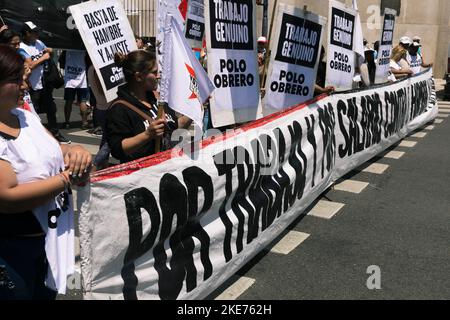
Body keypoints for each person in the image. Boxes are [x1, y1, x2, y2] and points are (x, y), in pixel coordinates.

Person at [0, 45, 92, 299]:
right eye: (16, 80)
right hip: (12, 250)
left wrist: (76, 152)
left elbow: (54, 148)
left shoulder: (25, 116)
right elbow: (7, 198)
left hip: (50, 241)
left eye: (25, 78)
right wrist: (66, 179)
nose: (25, 86)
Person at [106, 50, 193, 164]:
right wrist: (147, 135)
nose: (158, 76)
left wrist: (194, 109)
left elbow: (176, 126)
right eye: (154, 72)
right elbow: (117, 149)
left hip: (166, 171)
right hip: (140, 176)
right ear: (138, 77)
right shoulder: (120, 108)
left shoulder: (158, 99)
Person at [18, 21, 70, 143]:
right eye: (34, 32)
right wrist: (44, 58)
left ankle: (55, 133)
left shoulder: (39, 43)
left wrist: (50, 52)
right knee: (31, 112)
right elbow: (29, 65)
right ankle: (32, 137)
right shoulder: (21, 47)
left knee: (51, 109)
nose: (37, 34)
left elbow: (47, 52)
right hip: (30, 85)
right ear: (26, 33)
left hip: (44, 83)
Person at [59, 49, 90, 129]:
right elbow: (88, 62)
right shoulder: (83, 49)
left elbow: (61, 61)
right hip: (82, 78)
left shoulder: (67, 49)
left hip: (70, 79)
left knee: (69, 101)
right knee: (83, 101)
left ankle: (67, 122)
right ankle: (84, 122)